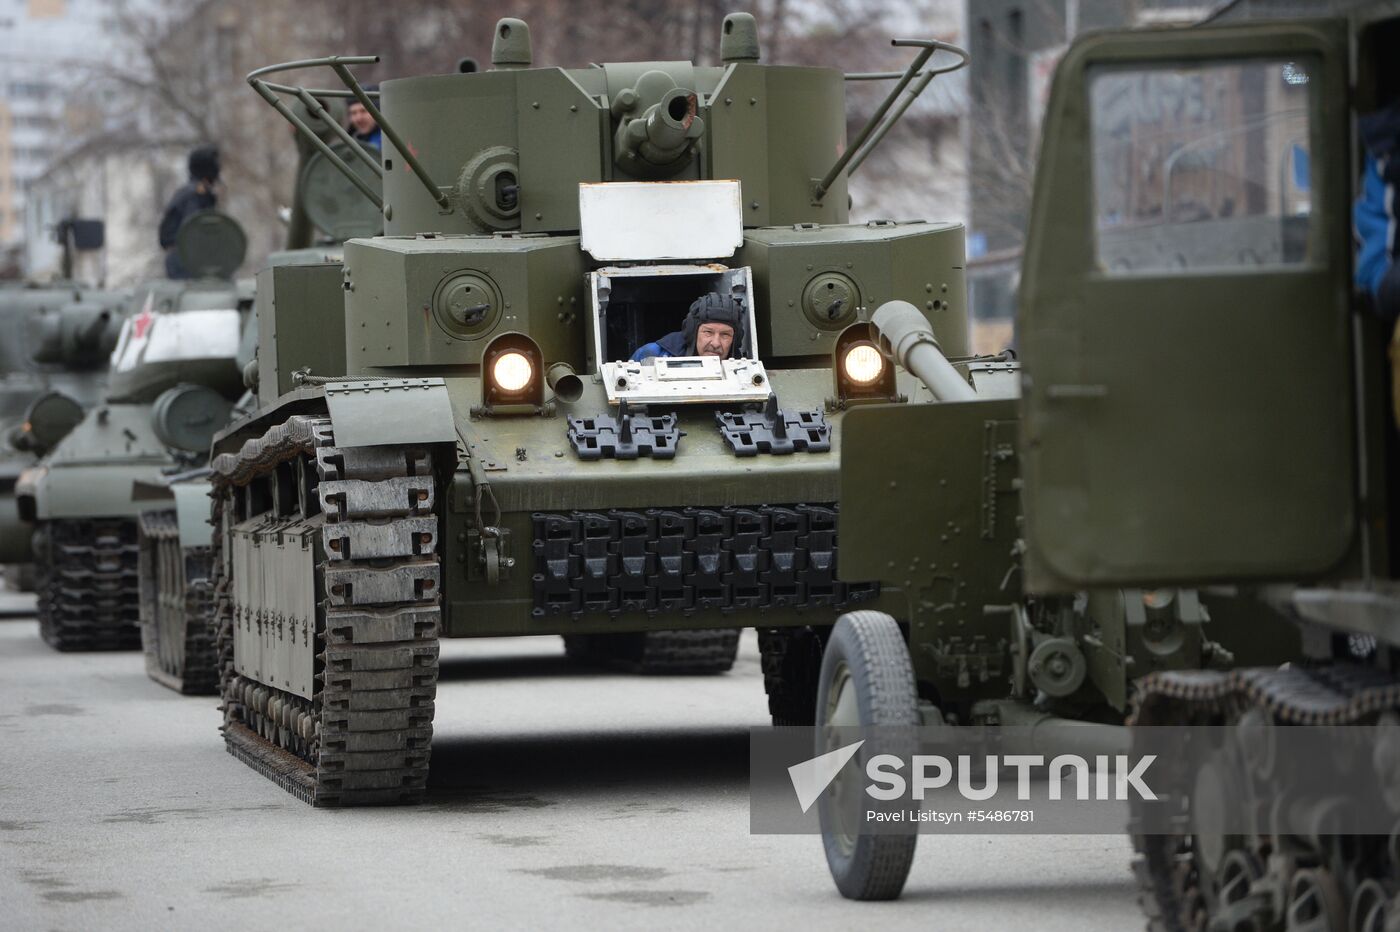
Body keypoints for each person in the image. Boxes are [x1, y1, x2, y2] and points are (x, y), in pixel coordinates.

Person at [158, 144, 220, 279]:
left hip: (183, 258)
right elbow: (193, 229)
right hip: (185, 260)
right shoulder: (196, 194)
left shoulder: (188, 191)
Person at [631, 293, 746, 361]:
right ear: (692, 332)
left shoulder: (743, 370)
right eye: (708, 332)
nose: (716, 343)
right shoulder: (653, 355)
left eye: (725, 335)